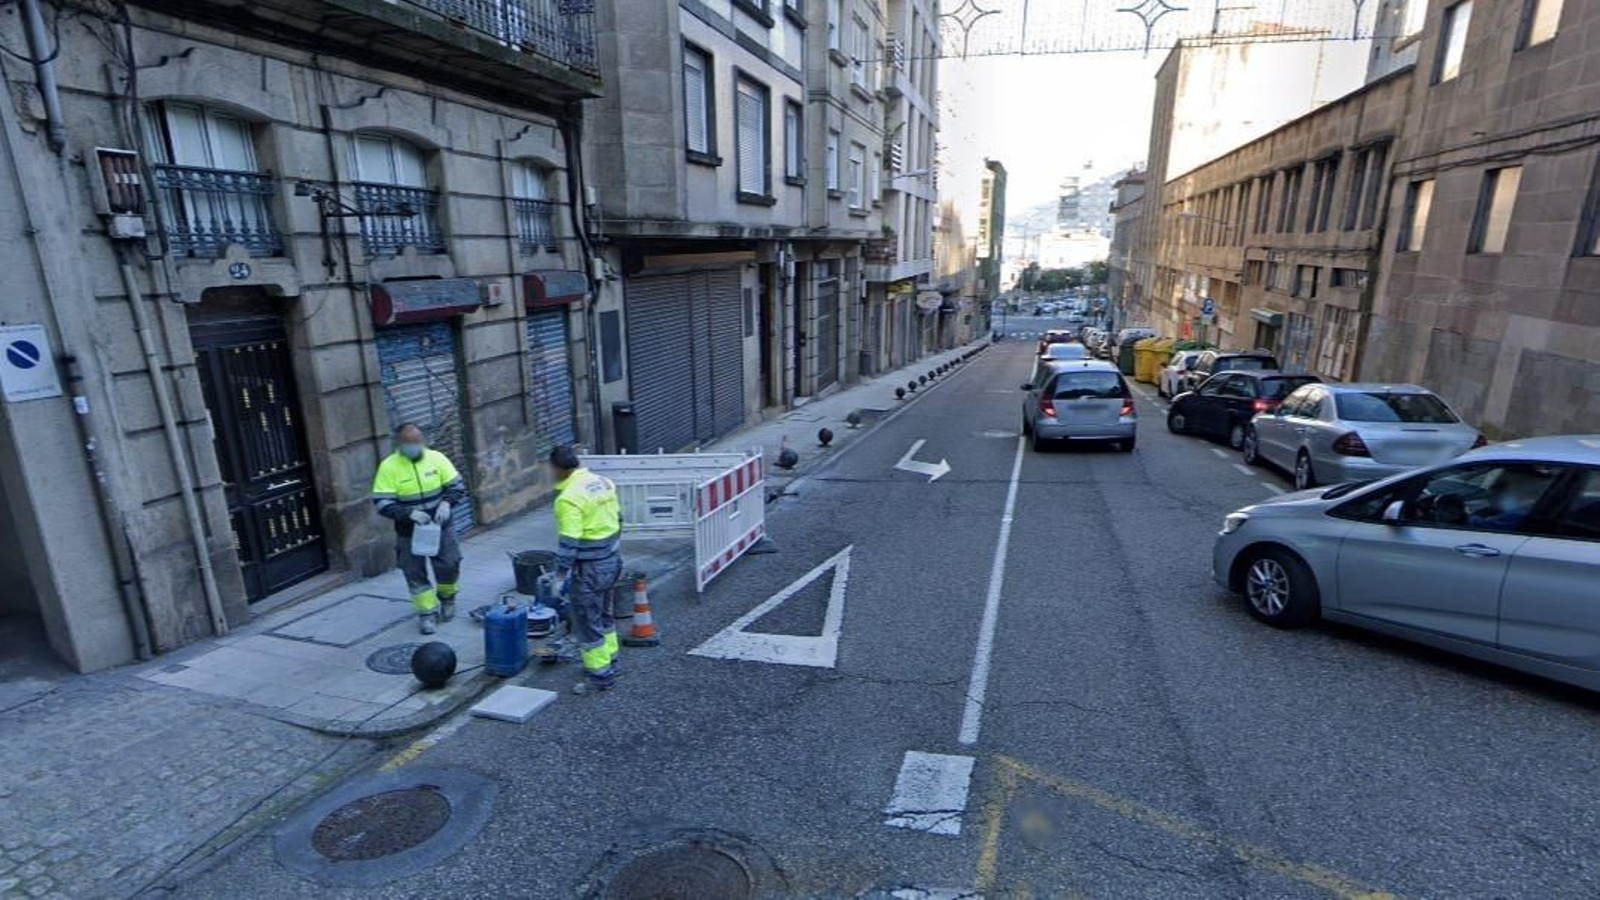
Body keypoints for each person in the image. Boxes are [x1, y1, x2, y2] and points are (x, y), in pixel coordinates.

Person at [372, 423, 468, 634]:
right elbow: (382, 503)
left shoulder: (437, 458)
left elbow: (457, 486)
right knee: (414, 572)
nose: (415, 446)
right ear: (399, 443)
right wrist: (409, 514)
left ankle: (448, 598)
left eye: (418, 441)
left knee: (449, 564)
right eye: (409, 443)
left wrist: (447, 503)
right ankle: (427, 613)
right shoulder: (389, 467)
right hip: (409, 531)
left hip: (441, 527)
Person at [548, 445, 624, 694]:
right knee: (604, 614)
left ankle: (600, 676)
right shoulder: (603, 482)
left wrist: (560, 575)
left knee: (586, 622)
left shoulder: (568, 498)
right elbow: (619, 518)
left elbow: (569, 543)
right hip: (612, 561)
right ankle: (610, 658)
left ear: (558, 469)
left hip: (589, 569)